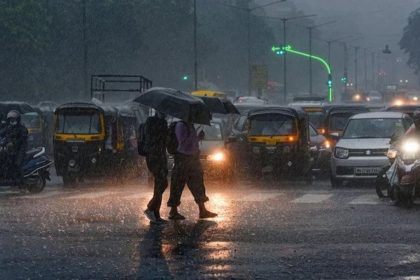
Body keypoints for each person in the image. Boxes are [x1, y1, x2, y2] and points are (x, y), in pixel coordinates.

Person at [167, 120, 217, 220]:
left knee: (198, 183)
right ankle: (173, 211)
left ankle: (202, 210)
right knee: (177, 184)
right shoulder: (181, 125)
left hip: (193, 158)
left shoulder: (190, 125)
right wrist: (195, 138)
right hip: (183, 158)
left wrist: (198, 138)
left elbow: (191, 142)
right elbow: (182, 142)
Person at [143, 111, 169, 223]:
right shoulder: (151, 122)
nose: (165, 114)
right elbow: (155, 138)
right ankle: (150, 208)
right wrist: (164, 131)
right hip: (154, 156)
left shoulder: (162, 122)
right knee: (161, 182)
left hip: (160, 155)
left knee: (160, 183)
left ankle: (155, 213)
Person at [0, 110, 28, 184]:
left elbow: (21, 139)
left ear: (18, 119)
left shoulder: (22, 129)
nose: (12, 121)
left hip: (20, 149)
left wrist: (13, 143)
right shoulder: (9, 127)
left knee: (16, 163)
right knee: (3, 159)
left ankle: (21, 182)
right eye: (10, 119)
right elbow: (2, 133)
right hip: (10, 149)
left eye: (13, 119)